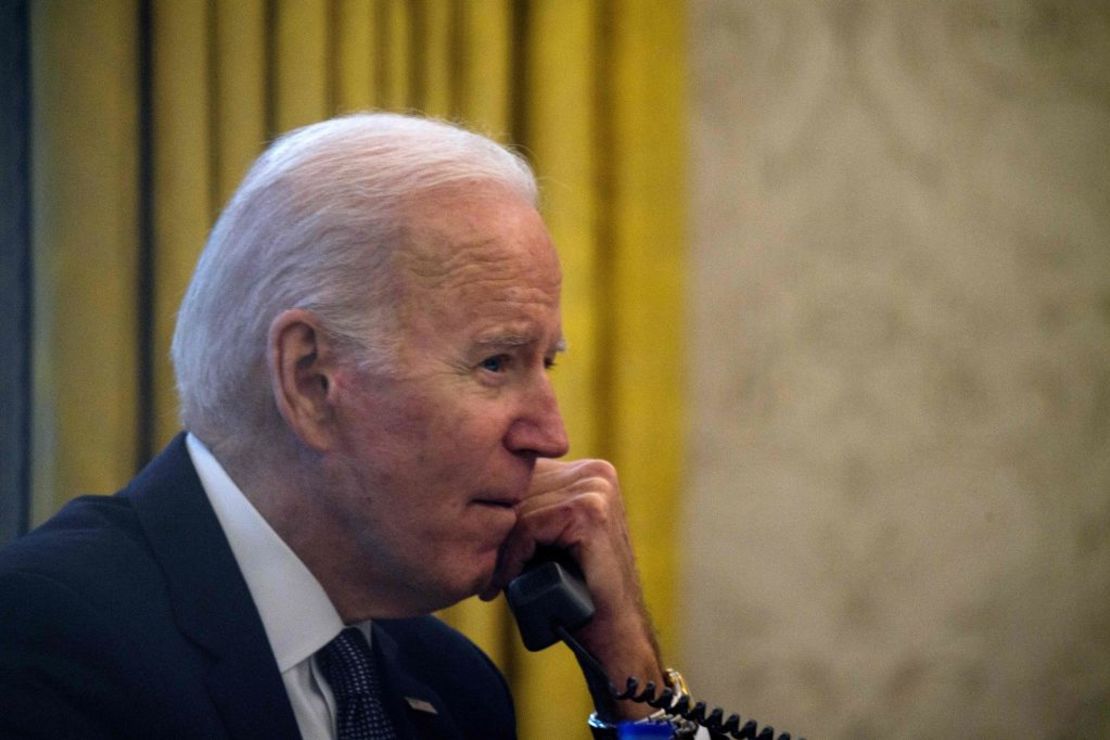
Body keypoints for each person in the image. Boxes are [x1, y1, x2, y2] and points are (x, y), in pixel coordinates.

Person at [0, 113, 692, 739]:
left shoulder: (455, 687)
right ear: (311, 380)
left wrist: (632, 672)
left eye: (547, 364)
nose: (551, 436)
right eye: (494, 363)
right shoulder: (44, 639)